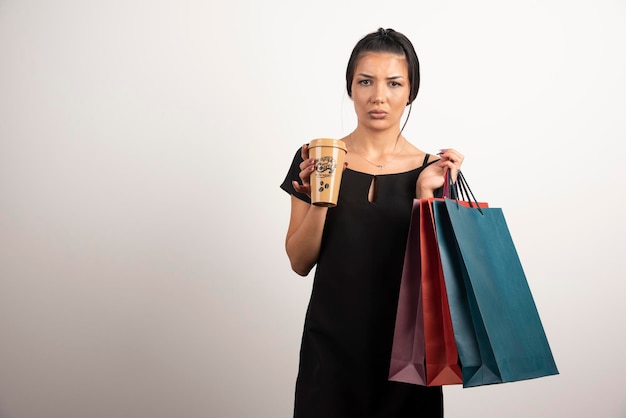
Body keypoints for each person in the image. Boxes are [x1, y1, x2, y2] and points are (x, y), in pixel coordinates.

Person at [280, 27, 464, 418]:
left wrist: (425, 195)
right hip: (330, 352)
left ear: (410, 91)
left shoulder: (433, 171)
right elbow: (299, 262)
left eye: (393, 83)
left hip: (410, 356)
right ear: (350, 87)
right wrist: (322, 195)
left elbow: (443, 278)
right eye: (366, 81)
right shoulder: (314, 157)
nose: (378, 96)